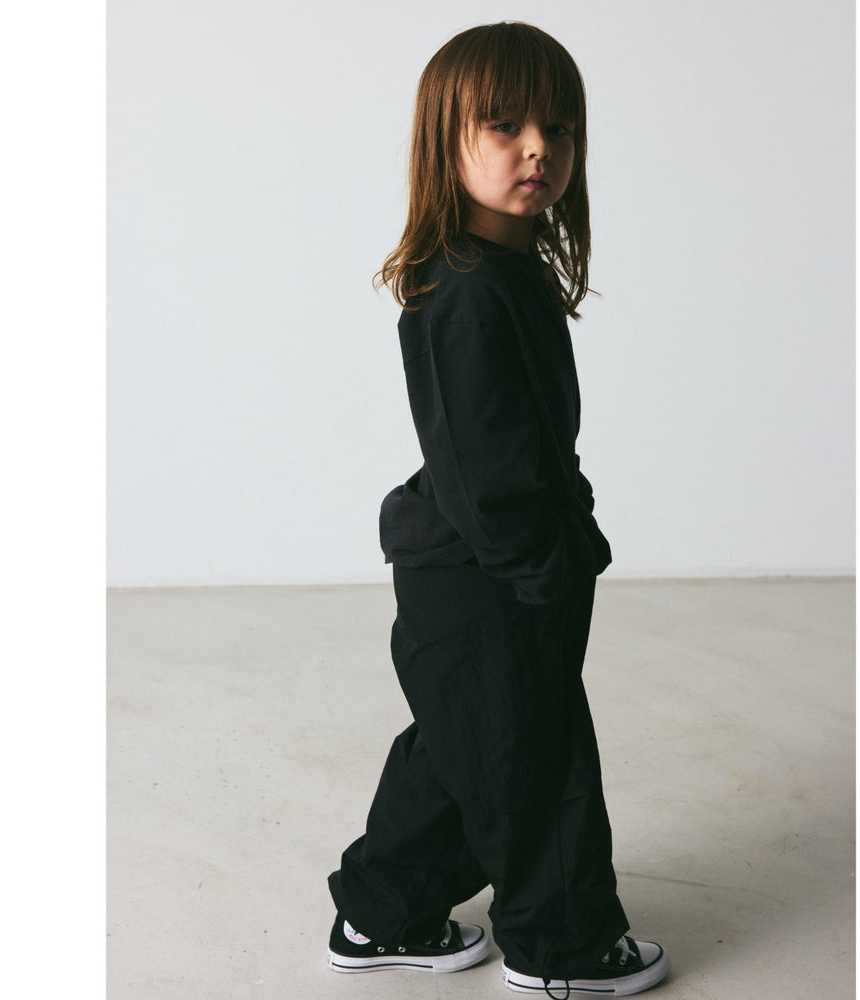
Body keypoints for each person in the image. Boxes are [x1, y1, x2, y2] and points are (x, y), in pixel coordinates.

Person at [326, 21, 671, 998]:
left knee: (466, 745)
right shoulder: (465, 290)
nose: (538, 149)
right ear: (447, 139)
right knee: (536, 756)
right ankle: (562, 949)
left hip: (497, 559)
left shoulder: (504, 271)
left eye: (558, 129)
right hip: (486, 570)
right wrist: (543, 569)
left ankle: (380, 912)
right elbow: (484, 470)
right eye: (506, 125)